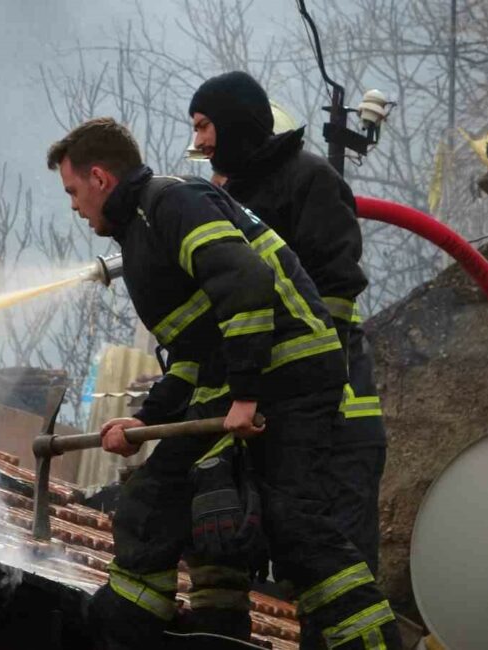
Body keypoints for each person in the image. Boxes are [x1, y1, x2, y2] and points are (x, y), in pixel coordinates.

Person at [47, 116, 400, 650]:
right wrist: (145, 420)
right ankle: (142, 632)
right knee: (158, 502)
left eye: (73, 190)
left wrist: (247, 393)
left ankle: (371, 642)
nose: (74, 205)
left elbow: (246, 280)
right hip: (247, 380)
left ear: (99, 178)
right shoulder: (143, 231)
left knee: (291, 523)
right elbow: (193, 355)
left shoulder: (172, 202)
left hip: (293, 375)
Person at [188, 71, 387, 577]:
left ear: (235, 122)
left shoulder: (311, 180)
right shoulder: (229, 199)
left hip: (338, 421)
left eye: (206, 125)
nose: (200, 142)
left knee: (338, 567)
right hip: (279, 417)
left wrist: (311, 392)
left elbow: (336, 297)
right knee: (289, 566)